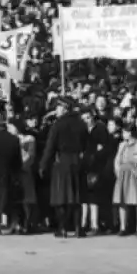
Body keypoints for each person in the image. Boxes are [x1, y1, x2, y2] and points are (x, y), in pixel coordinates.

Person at [39, 96, 88, 238]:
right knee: (76, 197)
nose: (56, 110)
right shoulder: (81, 123)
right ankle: (78, 228)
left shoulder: (58, 125)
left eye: (58, 107)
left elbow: (50, 147)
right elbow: (87, 144)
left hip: (62, 162)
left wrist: (43, 165)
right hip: (77, 161)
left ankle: (63, 228)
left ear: (65, 108)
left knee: (60, 197)